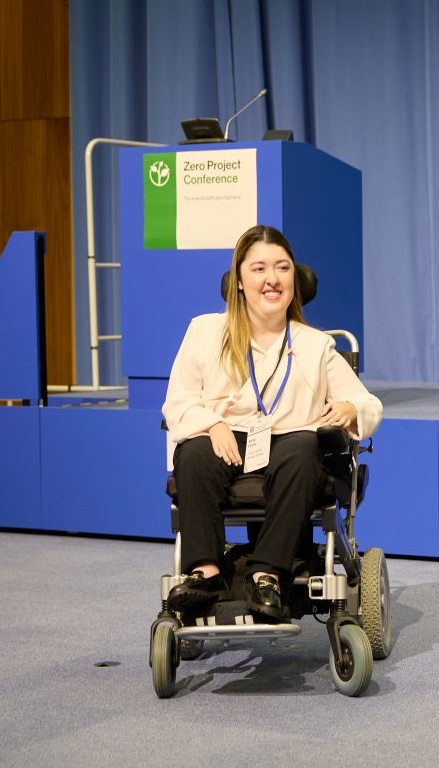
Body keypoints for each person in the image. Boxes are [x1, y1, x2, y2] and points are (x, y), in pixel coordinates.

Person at [163, 225, 382, 623]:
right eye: (260, 268)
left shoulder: (315, 345)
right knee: (193, 451)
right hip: (225, 440)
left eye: (282, 268)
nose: (272, 279)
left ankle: (268, 575)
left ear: (294, 282)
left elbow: (369, 402)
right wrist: (212, 424)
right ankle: (205, 574)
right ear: (240, 281)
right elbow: (177, 404)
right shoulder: (205, 331)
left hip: (289, 448)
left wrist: (350, 408)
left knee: (303, 448)